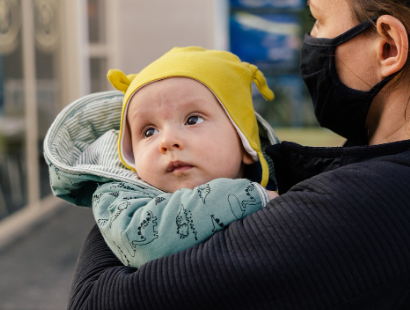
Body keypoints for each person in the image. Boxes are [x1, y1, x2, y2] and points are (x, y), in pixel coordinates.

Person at [62, 0, 410, 310]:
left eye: (319, 20)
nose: (312, 41)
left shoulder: (379, 207)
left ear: (386, 47)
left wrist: (124, 183)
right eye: (148, 132)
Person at [44, 47, 278, 268]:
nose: (167, 141)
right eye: (149, 131)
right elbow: (141, 240)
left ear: (245, 143)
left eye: (192, 120)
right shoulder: (119, 198)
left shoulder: (289, 180)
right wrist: (247, 197)